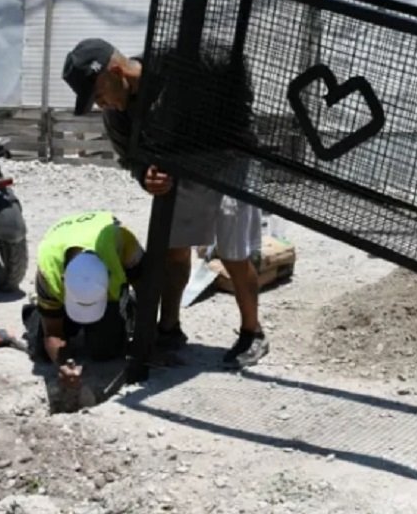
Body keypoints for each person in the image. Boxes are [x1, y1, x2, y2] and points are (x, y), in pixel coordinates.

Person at [61, 37, 269, 368]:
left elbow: (232, 61)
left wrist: (234, 113)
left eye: (99, 95)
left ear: (117, 71)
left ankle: (252, 333)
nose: (102, 105)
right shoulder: (117, 116)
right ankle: (169, 329)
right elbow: (130, 158)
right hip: (183, 168)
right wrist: (145, 175)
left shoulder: (178, 59)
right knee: (174, 250)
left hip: (232, 157)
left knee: (233, 253)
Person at [22, 210, 145, 388]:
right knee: (42, 351)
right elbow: (53, 333)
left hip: (108, 293)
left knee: (106, 351)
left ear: (108, 276)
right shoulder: (49, 271)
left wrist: (147, 339)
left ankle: (125, 307)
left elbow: (147, 290)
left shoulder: (122, 242)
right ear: (64, 279)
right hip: (63, 281)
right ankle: (36, 310)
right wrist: (62, 364)